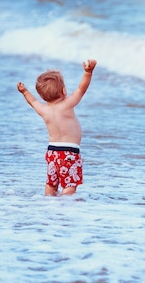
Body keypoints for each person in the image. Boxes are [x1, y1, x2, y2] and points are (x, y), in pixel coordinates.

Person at [16, 59, 97, 196]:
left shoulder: (43, 109)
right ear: (63, 91)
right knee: (70, 185)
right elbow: (81, 89)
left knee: (51, 183)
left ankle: (49, 203)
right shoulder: (67, 104)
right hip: (69, 153)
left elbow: (33, 101)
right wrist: (88, 72)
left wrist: (24, 92)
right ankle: (63, 208)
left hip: (52, 152)